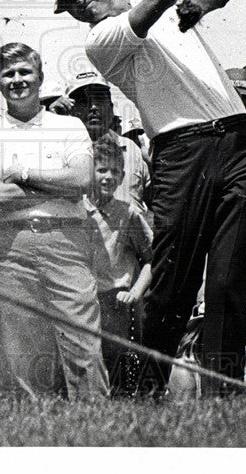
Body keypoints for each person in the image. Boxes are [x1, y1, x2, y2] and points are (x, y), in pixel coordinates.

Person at [49, 0, 246, 394]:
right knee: (172, 285)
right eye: (71, 1)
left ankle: (224, 397)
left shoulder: (172, 16)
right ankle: (143, 393)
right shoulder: (103, 39)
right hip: (181, 151)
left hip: (237, 140)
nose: (83, 1)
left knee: (230, 282)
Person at [0, 42, 108, 398]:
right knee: (24, 347)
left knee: (82, 341)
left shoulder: (69, 126)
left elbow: (81, 181)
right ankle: (37, 429)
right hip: (13, 247)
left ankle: (97, 423)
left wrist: (23, 174)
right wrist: (57, 184)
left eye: (24, 72)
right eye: (8, 74)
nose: (17, 80)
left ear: (40, 76)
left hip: (67, 242)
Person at [85, 136, 153, 395]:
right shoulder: (76, 211)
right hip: (84, 298)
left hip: (117, 300)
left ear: (123, 176)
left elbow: (151, 258)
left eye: (115, 171)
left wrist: (135, 292)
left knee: (119, 360)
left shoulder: (128, 214)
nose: (108, 177)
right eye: (102, 170)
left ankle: (121, 402)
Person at [62, 70, 151, 217]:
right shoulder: (62, 149)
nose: (93, 108)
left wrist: (153, 166)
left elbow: (156, 202)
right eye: (84, 102)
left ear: (111, 107)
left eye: (99, 100)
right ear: (71, 109)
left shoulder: (131, 148)